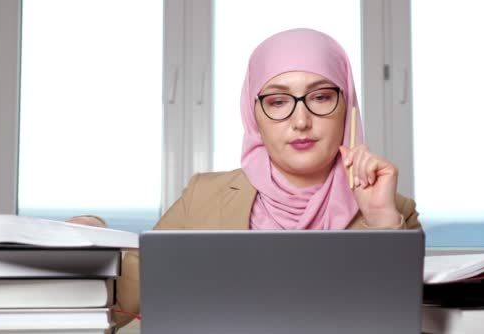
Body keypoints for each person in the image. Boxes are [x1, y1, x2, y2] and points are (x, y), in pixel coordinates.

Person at [70, 28, 422, 329]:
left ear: (348, 107)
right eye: (278, 101)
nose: (301, 121)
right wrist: (88, 238)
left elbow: (404, 321)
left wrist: (382, 224)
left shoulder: (394, 210)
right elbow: (127, 298)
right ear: (253, 114)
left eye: (321, 97)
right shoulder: (203, 196)